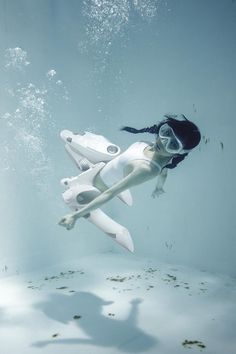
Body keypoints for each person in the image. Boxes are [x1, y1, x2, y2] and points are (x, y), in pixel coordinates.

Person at [58, 114, 201, 231]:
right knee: (70, 146)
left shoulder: (147, 169)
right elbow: (164, 171)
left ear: (178, 153)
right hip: (105, 169)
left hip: (96, 188)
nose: (163, 142)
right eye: (166, 133)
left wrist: (75, 216)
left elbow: (110, 193)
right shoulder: (150, 147)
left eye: (173, 144)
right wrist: (159, 187)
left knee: (68, 193)